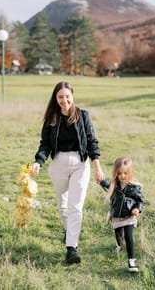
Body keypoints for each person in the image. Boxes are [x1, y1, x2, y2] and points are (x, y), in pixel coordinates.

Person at [31, 81, 104, 264]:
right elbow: (45, 144)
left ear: (72, 95)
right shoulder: (51, 119)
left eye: (67, 96)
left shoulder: (83, 116)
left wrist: (97, 166)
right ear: (56, 99)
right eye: (60, 97)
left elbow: (91, 141)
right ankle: (68, 230)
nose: (64, 100)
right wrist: (38, 161)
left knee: (75, 206)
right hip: (58, 165)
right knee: (63, 205)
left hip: (81, 164)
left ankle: (72, 247)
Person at [100, 157, 144, 272]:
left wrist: (137, 209)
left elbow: (140, 200)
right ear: (116, 173)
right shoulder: (114, 185)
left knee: (129, 237)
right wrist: (100, 181)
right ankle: (119, 245)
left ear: (130, 172)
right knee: (119, 235)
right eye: (119, 173)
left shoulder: (135, 187)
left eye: (125, 173)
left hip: (129, 216)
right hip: (116, 215)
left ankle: (131, 261)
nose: (122, 176)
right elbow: (106, 185)